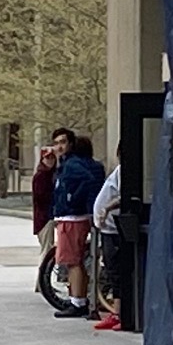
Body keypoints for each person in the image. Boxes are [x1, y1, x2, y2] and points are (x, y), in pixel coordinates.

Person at [51, 134, 105, 320]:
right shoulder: (88, 164)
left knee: (73, 261)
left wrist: (72, 198)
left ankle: (77, 301)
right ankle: (79, 299)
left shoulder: (72, 165)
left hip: (72, 216)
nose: (59, 147)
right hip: (79, 214)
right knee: (76, 260)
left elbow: (87, 181)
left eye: (62, 143)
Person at [90, 150, 126, 332]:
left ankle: (120, 313)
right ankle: (117, 312)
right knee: (112, 269)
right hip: (107, 227)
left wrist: (107, 208)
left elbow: (124, 195)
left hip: (113, 227)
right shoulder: (119, 170)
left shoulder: (127, 171)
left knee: (116, 270)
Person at [31, 136, 61, 293]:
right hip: (45, 218)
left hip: (47, 217)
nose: (50, 161)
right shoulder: (42, 176)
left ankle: (41, 283)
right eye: (47, 158)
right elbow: (40, 198)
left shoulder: (50, 175)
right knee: (46, 249)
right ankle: (42, 283)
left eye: (52, 158)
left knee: (46, 249)